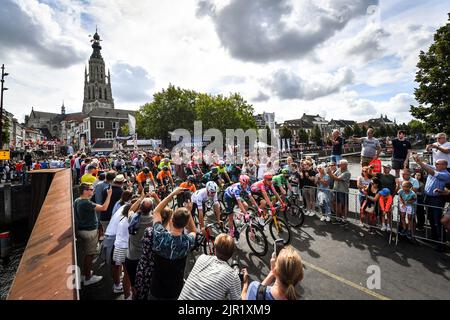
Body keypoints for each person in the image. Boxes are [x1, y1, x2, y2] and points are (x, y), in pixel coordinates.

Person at [149, 188, 196, 300]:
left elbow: (156, 211)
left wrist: (173, 194)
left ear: (171, 220)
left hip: (156, 288)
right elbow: (194, 231)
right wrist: (188, 212)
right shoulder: (187, 241)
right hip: (175, 290)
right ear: (185, 225)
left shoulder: (160, 235)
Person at [178, 234, 243, 300]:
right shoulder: (233, 276)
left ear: (214, 249)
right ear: (231, 253)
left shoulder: (202, 258)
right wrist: (245, 283)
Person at [74, 183, 112, 286]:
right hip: (89, 232)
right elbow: (104, 208)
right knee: (89, 255)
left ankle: (86, 273)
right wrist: (109, 195)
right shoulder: (86, 203)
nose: (93, 191)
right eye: (91, 189)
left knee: (88, 254)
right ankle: (88, 278)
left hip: (82, 230)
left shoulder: (77, 200)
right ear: (85, 191)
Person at [134, 203, 173, 300]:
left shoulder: (148, 230)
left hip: (143, 266)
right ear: (169, 219)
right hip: (155, 271)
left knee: (140, 292)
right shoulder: (168, 237)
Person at [125, 193, 160, 299]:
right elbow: (164, 210)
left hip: (131, 257)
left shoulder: (133, 218)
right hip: (146, 260)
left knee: (134, 285)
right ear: (151, 209)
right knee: (146, 284)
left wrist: (141, 198)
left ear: (140, 207)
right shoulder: (154, 220)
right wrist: (156, 197)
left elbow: (130, 209)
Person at [413, 155, 450, 251]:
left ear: (444, 165)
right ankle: (434, 238)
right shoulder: (436, 167)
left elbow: (432, 172)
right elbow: (426, 165)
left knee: (437, 220)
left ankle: (441, 242)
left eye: (438, 164)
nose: (435, 165)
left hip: (437, 199)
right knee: (431, 219)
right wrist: (418, 160)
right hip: (428, 197)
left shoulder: (446, 174)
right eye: (435, 163)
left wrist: (420, 163)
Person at [327, 159, 351, 225]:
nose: (339, 165)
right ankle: (338, 218)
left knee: (344, 205)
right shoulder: (339, 169)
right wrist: (331, 174)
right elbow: (333, 176)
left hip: (343, 191)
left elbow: (336, 178)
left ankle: (344, 219)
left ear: (345, 165)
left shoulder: (347, 173)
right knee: (337, 204)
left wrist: (329, 173)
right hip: (336, 190)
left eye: (340, 164)